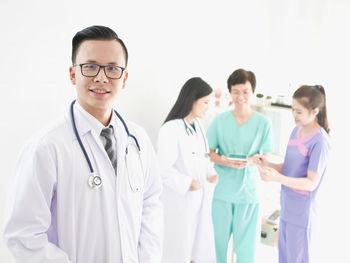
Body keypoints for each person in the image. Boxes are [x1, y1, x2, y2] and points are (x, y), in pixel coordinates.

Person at [3, 25, 163, 263]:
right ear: (72, 74)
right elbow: (22, 235)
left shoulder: (138, 140)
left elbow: (151, 204)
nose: (101, 77)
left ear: (124, 78)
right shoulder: (46, 147)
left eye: (112, 68)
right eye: (90, 67)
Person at [255, 85, 331, 263]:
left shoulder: (320, 141)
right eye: (293, 110)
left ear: (314, 112)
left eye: (299, 112)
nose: (294, 115)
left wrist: (278, 178)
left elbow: (311, 182)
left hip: (302, 215)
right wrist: (269, 165)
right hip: (287, 209)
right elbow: (290, 167)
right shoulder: (296, 131)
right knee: (284, 258)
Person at [206, 69, 273, 263]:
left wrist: (251, 161)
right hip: (222, 192)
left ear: (252, 92)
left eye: (245, 91)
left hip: (249, 193)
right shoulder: (219, 121)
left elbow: (266, 155)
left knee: (246, 250)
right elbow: (209, 153)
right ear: (230, 92)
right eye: (236, 91)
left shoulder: (263, 123)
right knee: (216, 245)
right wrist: (224, 161)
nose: (241, 97)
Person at [156, 77, 218, 263]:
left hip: (198, 198)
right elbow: (162, 169)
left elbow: (203, 158)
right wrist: (188, 183)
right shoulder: (170, 129)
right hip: (180, 201)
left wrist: (212, 173)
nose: (208, 107)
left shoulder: (198, 127)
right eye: (205, 102)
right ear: (192, 99)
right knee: (178, 250)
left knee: (197, 250)